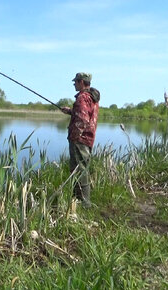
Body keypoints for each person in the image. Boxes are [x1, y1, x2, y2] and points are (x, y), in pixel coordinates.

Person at [61, 72, 100, 208]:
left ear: (82, 82)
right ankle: (78, 200)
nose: (74, 84)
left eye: (76, 82)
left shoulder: (83, 98)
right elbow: (86, 114)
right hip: (88, 138)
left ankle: (84, 203)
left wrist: (74, 137)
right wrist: (71, 111)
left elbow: (83, 120)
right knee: (81, 169)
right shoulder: (91, 97)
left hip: (80, 140)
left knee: (80, 170)